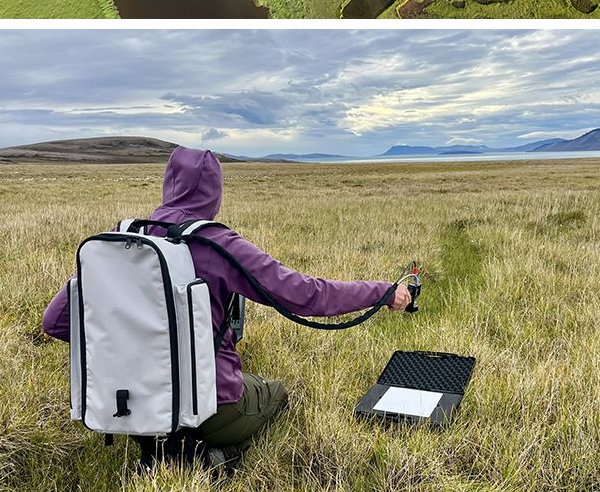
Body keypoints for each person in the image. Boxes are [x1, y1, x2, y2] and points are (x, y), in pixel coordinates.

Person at [40, 146, 410, 468]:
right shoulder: (217, 244)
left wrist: (135, 344)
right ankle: (209, 458)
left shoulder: (125, 240)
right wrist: (381, 292)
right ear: (214, 193)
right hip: (207, 409)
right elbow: (306, 295)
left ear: (169, 185)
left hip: (134, 408)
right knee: (275, 392)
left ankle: (162, 449)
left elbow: (55, 322)